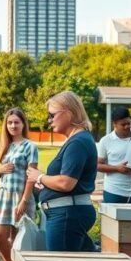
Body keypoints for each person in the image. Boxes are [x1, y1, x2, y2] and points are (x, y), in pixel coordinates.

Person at [27, 92, 98, 252]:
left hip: (67, 215)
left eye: (52, 115)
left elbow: (66, 183)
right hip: (67, 213)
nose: (49, 120)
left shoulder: (78, 142)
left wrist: (40, 176)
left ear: (69, 113)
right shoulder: (78, 140)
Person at [0, 108, 38, 261]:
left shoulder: (30, 146)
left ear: (23, 124)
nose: (13, 125)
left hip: (20, 195)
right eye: (9, 122)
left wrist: (24, 200)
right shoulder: (5, 145)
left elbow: (32, 175)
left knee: (18, 238)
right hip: (3, 194)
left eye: (16, 122)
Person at [97, 107, 131, 204]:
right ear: (114, 124)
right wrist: (117, 168)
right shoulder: (106, 141)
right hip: (114, 191)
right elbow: (97, 165)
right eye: (123, 124)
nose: (127, 126)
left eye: (128, 123)